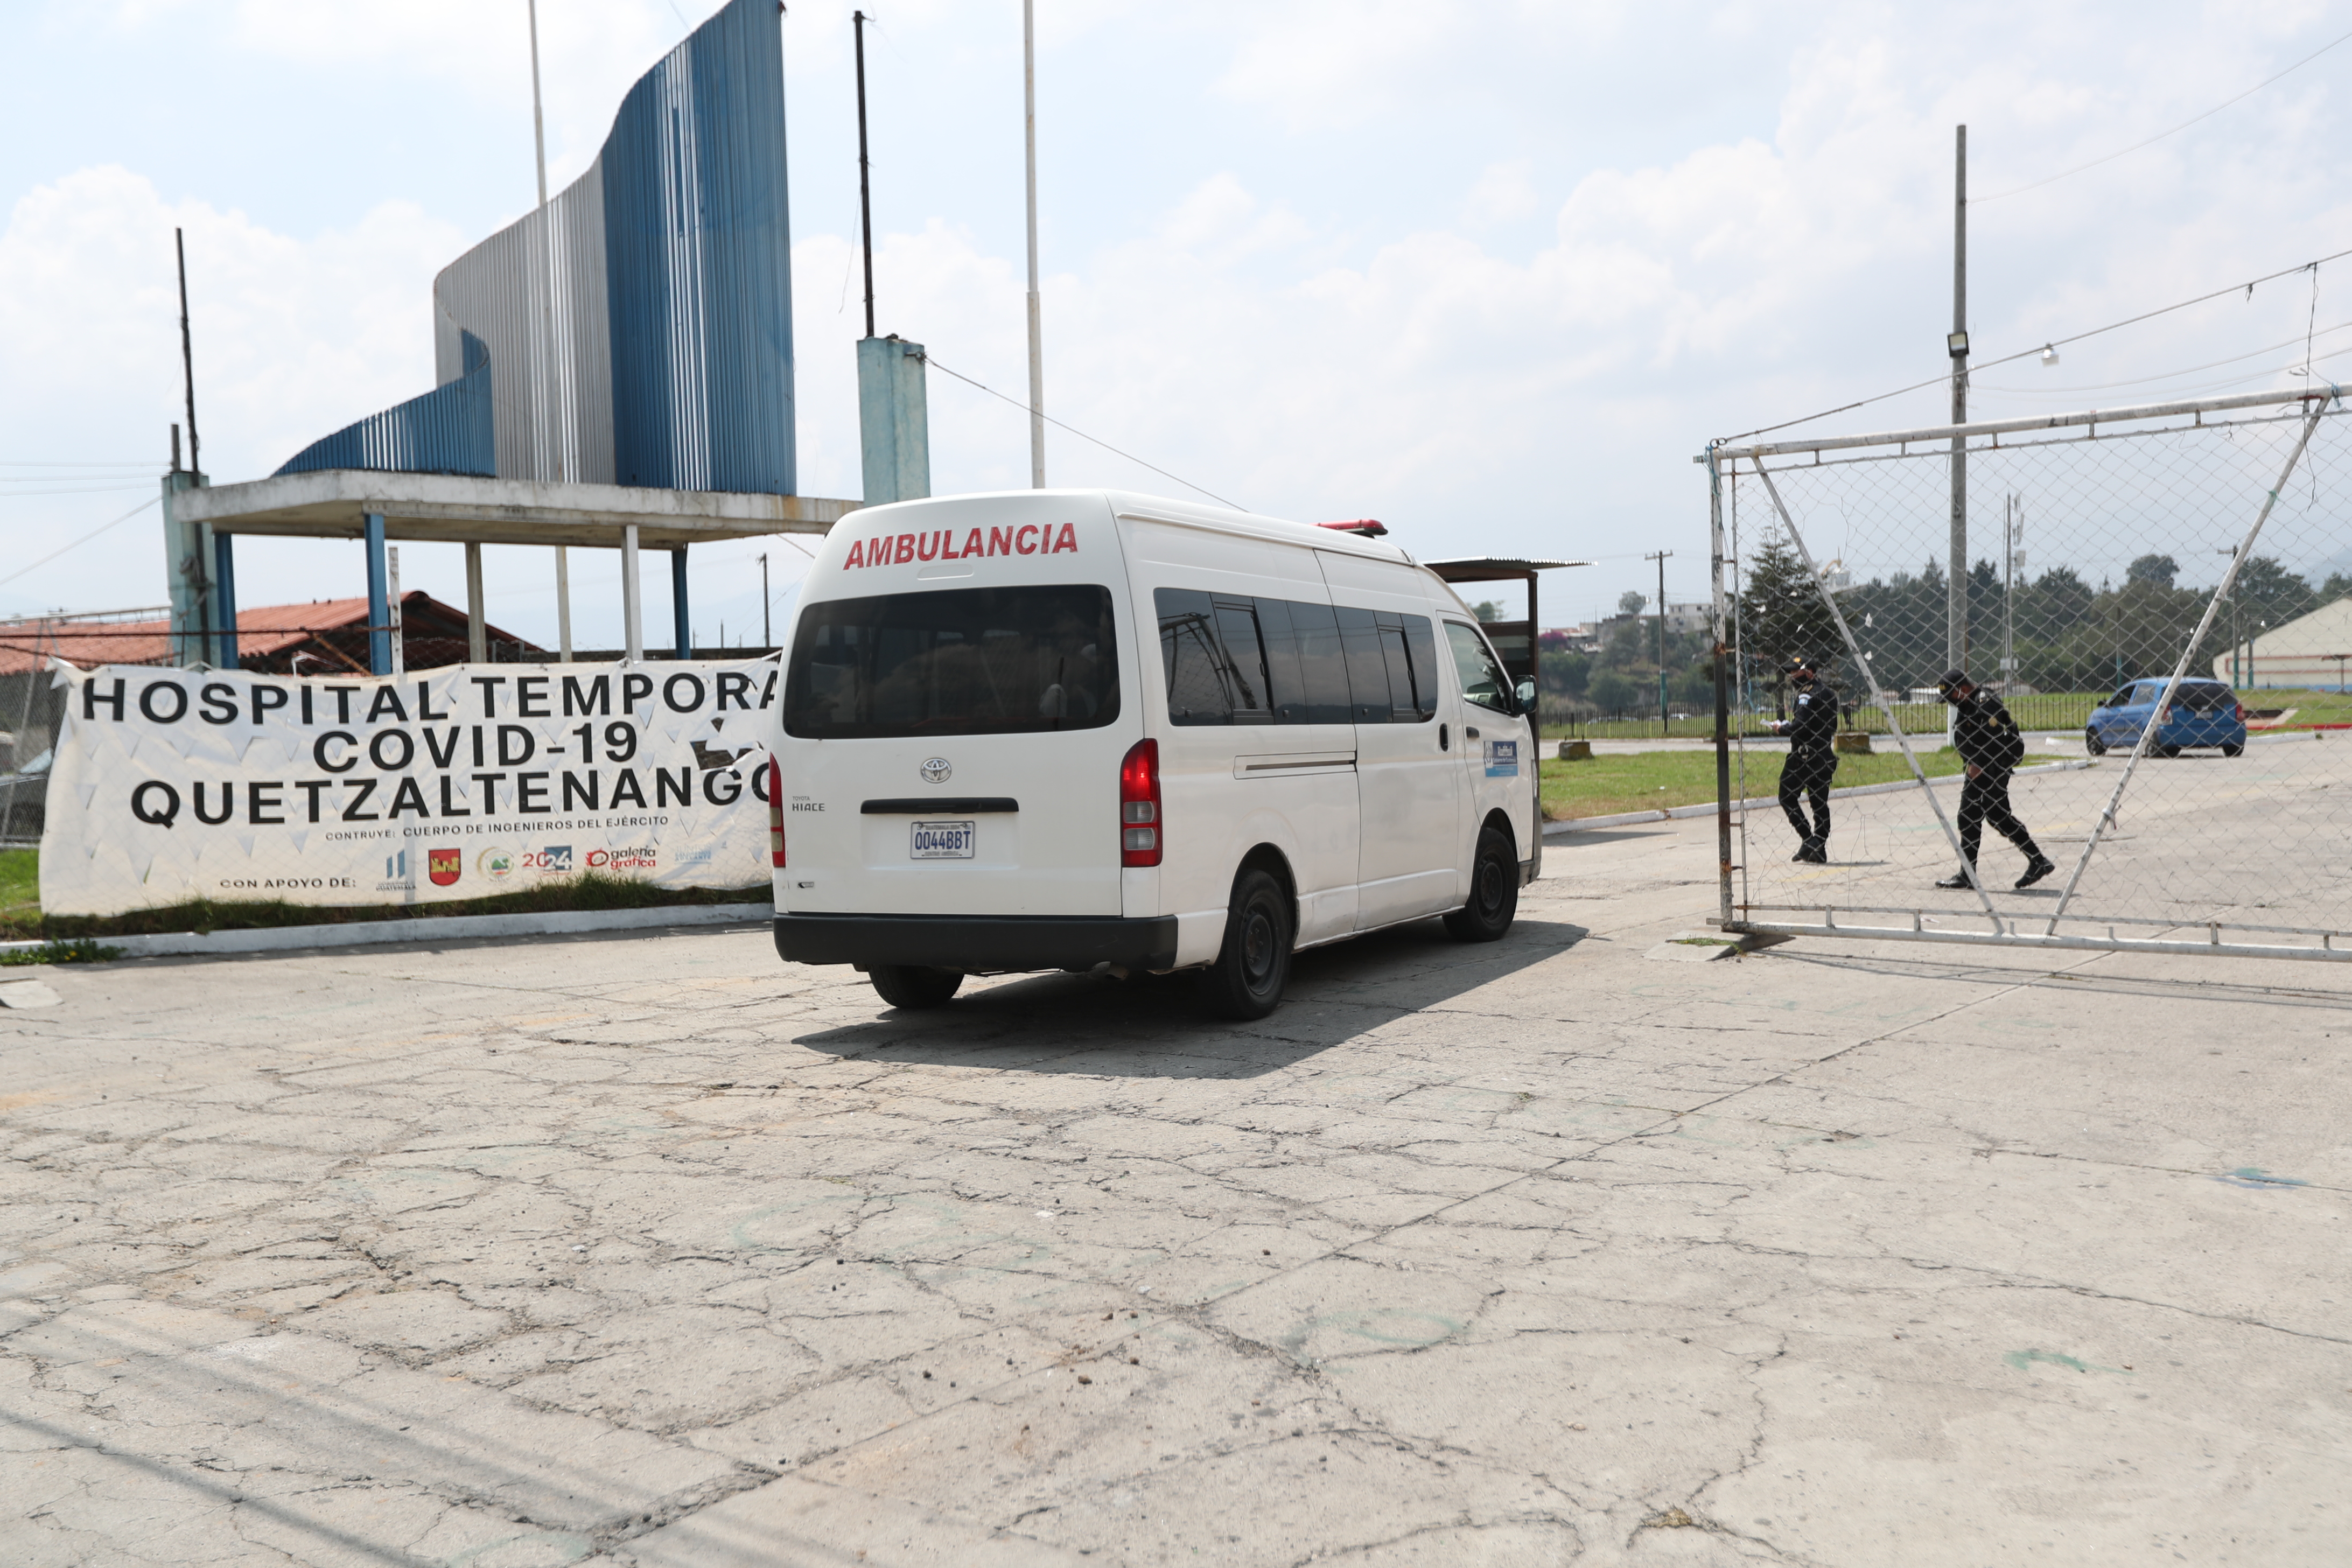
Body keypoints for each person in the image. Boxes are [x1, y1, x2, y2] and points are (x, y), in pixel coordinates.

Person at [1933, 669, 2057, 890]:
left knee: (1969, 816)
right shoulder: (1970, 703)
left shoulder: (1984, 702)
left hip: (1989, 770)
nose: (1950, 702)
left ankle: (1968, 875)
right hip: (1986, 769)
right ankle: (2038, 860)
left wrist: (1978, 764)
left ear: (1962, 690)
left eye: (1951, 696)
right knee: (1998, 816)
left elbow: (1995, 739)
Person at [1766, 654, 1837, 863]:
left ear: (1810, 672)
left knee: (1787, 796)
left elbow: (1802, 725)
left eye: (1795, 672)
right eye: (1789, 673)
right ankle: (1818, 847)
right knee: (1819, 802)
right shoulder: (1829, 694)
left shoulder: (1806, 696)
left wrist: (1782, 728)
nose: (1791, 676)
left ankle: (1809, 840)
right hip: (1824, 754)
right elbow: (1832, 726)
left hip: (1804, 756)